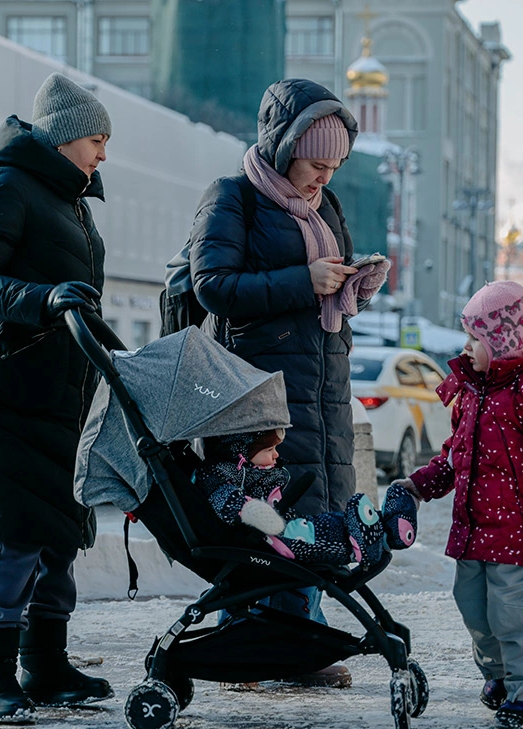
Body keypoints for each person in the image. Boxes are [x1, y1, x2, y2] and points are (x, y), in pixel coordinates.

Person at [189, 78, 381, 689]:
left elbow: (325, 288)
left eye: (335, 168)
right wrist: (305, 280)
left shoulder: (327, 208)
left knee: (314, 518)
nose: (324, 178)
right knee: (258, 521)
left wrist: (354, 284)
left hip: (323, 383)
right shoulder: (232, 198)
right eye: (316, 163)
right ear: (282, 146)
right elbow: (212, 286)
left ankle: (300, 647)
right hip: (256, 390)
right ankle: (242, 647)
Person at [0, 73, 113, 724]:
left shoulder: (70, 198)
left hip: (62, 387)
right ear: (66, 135)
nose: (103, 154)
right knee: (17, 534)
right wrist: (42, 299)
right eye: (97, 139)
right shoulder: (7, 182)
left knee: (59, 534)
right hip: (9, 388)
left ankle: (45, 663)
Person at [391, 281, 523, 729]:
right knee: (473, 606)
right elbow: (455, 456)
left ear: (503, 343)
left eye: (475, 338)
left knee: (512, 613)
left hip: (518, 534)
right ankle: (500, 675)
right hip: (473, 529)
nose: (466, 346)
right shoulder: (472, 393)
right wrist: (419, 486)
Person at [195, 429, 417, 566]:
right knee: (318, 538)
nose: (276, 455)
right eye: (269, 449)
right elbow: (224, 499)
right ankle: (364, 542)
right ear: (241, 451)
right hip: (274, 537)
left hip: (286, 524)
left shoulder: (251, 470)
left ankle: (386, 527)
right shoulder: (220, 473)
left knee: (331, 523)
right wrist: (252, 511)